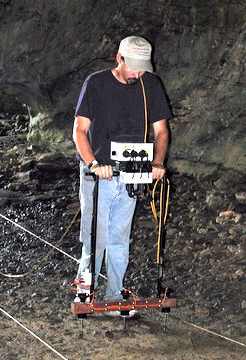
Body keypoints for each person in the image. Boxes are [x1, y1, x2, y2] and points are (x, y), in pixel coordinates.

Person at [72, 36, 172, 310]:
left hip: (131, 173)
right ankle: (84, 293)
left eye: (142, 69)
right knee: (95, 236)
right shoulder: (96, 83)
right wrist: (93, 164)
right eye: (133, 68)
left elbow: (161, 131)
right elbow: (80, 131)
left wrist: (158, 162)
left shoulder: (150, 85)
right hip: (99, 174)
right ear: (119, 58)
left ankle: (115, 294)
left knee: (119, 236)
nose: (137, 74)